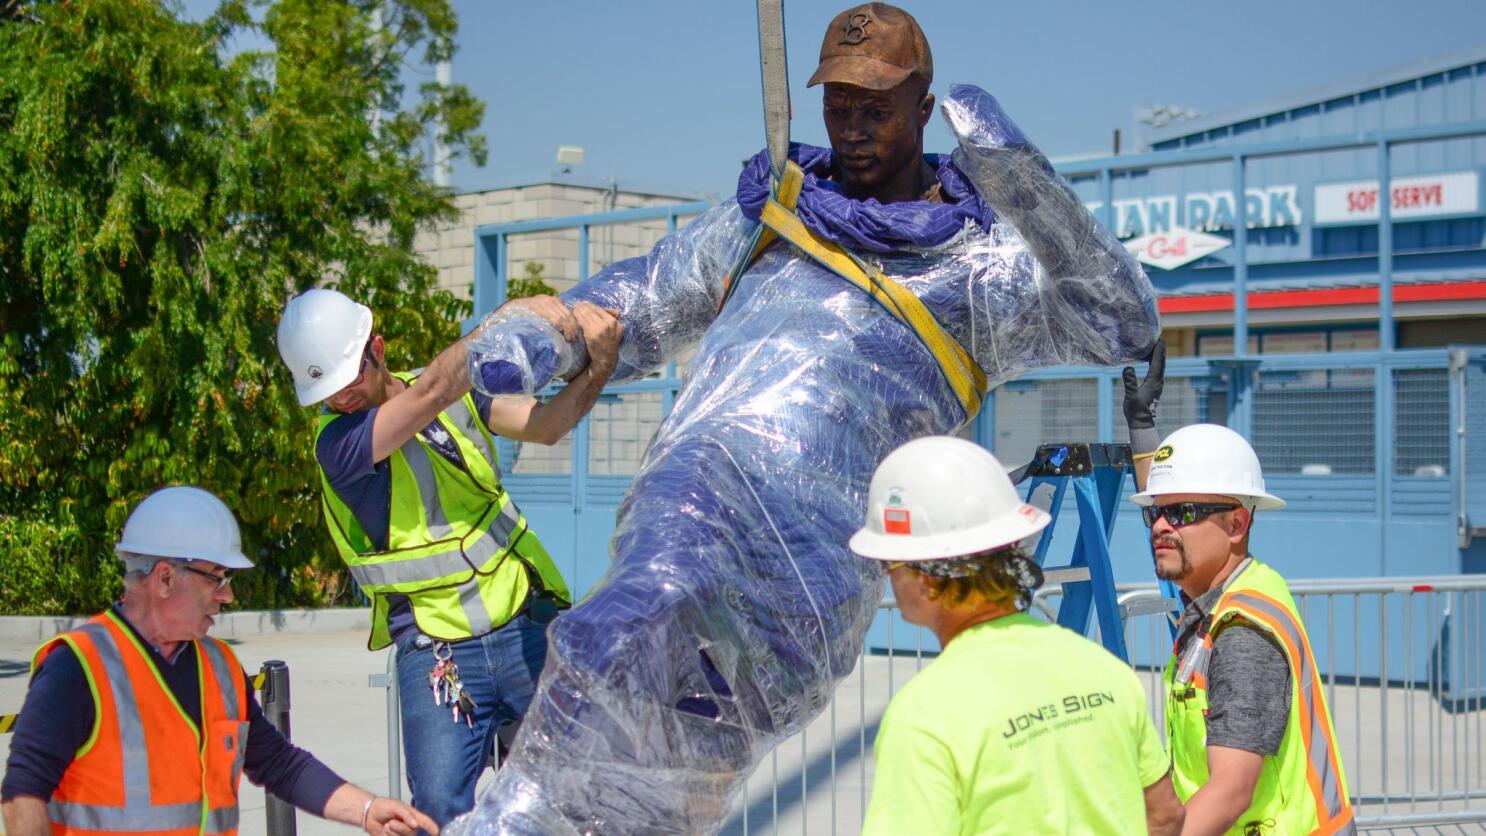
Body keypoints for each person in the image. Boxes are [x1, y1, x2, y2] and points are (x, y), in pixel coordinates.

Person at [455, 4, 1161, 832]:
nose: (854, 129)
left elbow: (1121, 320)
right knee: (609, 639)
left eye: (877, 108)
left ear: (924, 107)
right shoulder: (776, 212)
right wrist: (553, 332)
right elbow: (644, 302)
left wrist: (1024, 183)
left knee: (684, 765)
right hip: (698, 493)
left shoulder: (978, 268)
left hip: (804, 572)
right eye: (839, 107)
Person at [274, 288, 622, 826]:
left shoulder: (455, 393)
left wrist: (600, 365)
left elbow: (547, 426)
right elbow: (433, 391)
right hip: (437, 651)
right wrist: (506, 320)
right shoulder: (338, 444)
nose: (340, 399)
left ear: (379, 349)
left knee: (574, 793)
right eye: (328, 392)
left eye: (349, 382)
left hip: (523, 621)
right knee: (437, 812)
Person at [0, 486, 439, 836]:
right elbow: (23, 795)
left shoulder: (220, 668)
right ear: (165, 578)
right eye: (218, 578)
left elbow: (278, 763)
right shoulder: (78, 666)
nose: (227, 595)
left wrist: (367, 810)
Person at [849, 436, 1184, 835]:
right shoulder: (1102, 670)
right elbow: (1165, 816)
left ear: (925, 576)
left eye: (890, 561)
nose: (887, 577)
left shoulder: (925, 717)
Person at [1123, 420, 1355, 834]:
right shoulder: (1217, 596)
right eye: (1154, 513)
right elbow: (1176, 520)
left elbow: (1230, 791)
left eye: (1182, 513)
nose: (1161, 526)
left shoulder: (1241, 635)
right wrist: (1144, 438)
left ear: (1237, 525)